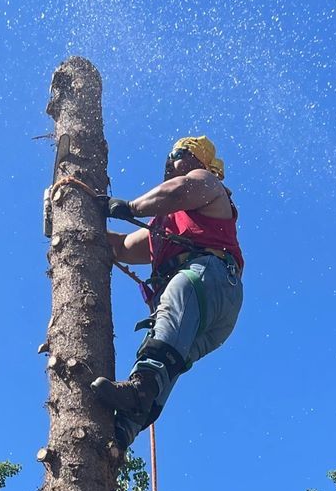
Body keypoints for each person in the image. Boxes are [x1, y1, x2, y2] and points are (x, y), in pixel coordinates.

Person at [92, 135, 244, 449]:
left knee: (176, 304)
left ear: (199, 160)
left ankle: (139, 390)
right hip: (209, 310)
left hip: (209, 279)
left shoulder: (205, 182)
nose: (171, 160)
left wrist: (131, 206)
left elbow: (179, 191)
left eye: (178, 153)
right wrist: (77, 225)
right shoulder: (164, 224)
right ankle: (123, 431)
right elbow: (122, 247)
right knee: (169, 362)